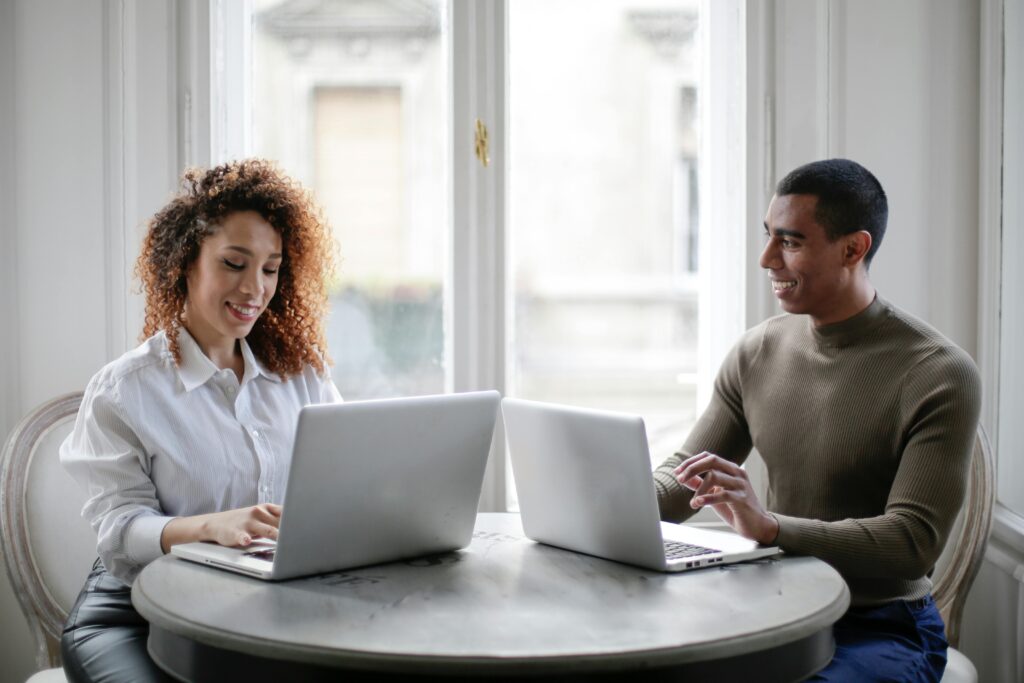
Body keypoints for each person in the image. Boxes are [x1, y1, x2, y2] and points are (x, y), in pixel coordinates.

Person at [653, 158, 980, 682]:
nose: (766, 259)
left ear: (853, 248)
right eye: (768, 236)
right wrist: (608, 503)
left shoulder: (939, 372)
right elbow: (686, 470)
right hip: (777, 606)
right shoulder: (756, 352)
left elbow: (912, 544)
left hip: (881, 624)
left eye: (790, 242)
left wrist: (772, 528)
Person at [59, 159, 341, 682]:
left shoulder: (303, 376)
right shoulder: (126, 389)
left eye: (270, 268)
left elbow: (345, 479)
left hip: (262, 608)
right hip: (134, 612)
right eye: (234, 263)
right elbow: (120, 532)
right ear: (186, 262)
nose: (255, 288)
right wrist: (211, 527)